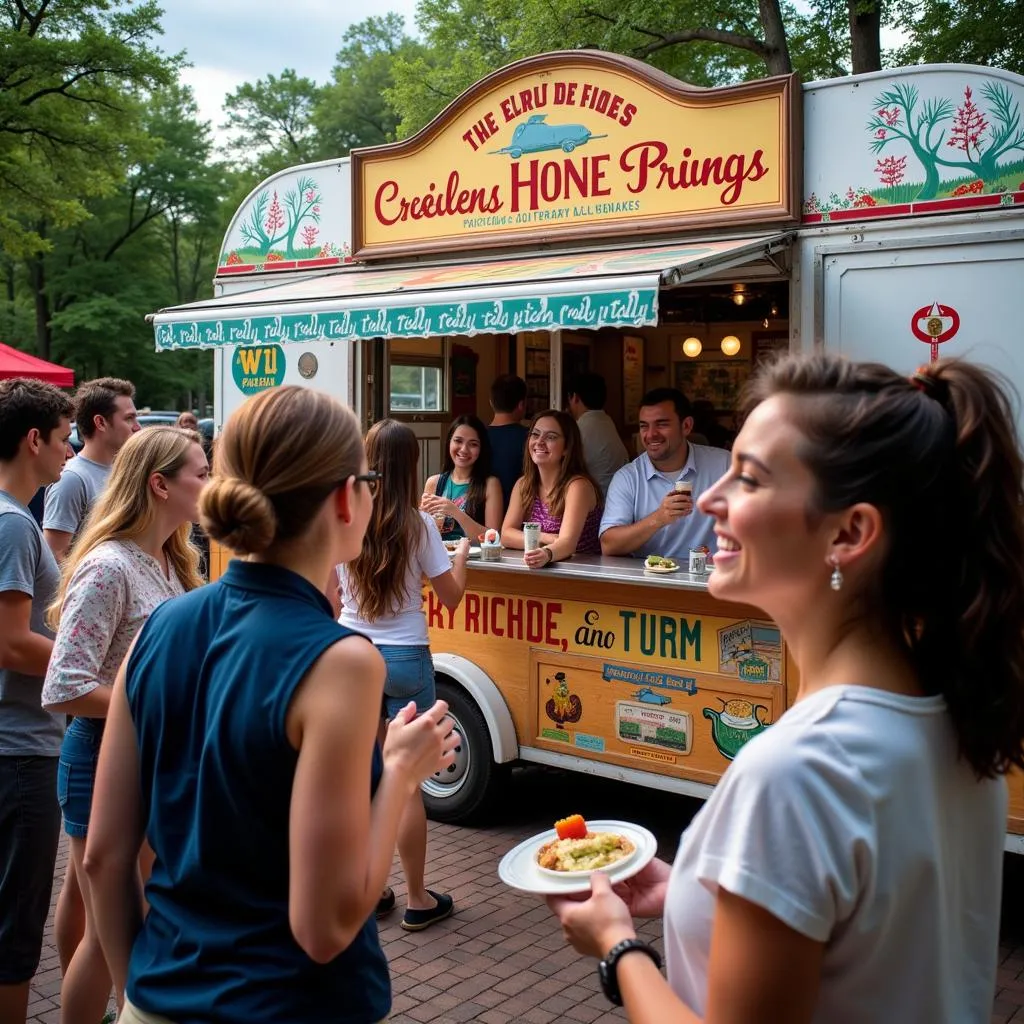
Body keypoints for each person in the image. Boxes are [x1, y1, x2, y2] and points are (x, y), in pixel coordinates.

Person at [547, 353, 1024, 1024]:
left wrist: (618, 948)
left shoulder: (795, 773)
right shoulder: (958, 726)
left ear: (849, 533)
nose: (711, 499)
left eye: (748, 479)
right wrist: (692, 885)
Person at [84, 387, 458, 1024]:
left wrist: (136, 993)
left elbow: (103, 859)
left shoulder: (161, 625)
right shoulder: (340, 661)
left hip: (156, 997)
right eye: (367, 479)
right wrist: (398, 773)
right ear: (346, 498)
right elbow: (326, 924)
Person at [42, 427, 208, 1024]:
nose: (209, 484)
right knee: (111, 934)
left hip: (144, 757)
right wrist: (156, 704)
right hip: (103, 758)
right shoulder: (110, 566)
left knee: (106, 925)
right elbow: (63, 686)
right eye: (200, 473)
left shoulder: (172, 558)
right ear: (160, 484)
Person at [341, 418, 469, 931]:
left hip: (353, 653)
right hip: (406, 658)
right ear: (414, 464)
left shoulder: (349, 515)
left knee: (368, 778)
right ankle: (418, 899)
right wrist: (461, 557)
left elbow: (331, 593)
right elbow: (451, 598)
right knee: (409, 781)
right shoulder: (418, 525)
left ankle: (373, 891)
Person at [0, 378, 73, 1024]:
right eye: (62, 439)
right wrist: (91, 665)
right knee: (15, 930)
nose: (68, 452)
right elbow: (13, 645)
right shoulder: (13, 525)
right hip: (20, 751)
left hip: (21, 745)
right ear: (33, 440)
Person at [600, 388, 730, 561]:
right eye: (644, 426)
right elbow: (609, 545)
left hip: (711, 580)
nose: (651, 434)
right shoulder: (628, 477)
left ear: (686, 426)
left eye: (662, 424)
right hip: (651, 582)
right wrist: (659, 518)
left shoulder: (724, 465)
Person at [44, 377, 140, 564]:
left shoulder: (127, 471)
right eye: (129, 418)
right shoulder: (72, 479)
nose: (137, 427)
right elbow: (55, 555)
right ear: (101, 423)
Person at [501, 409, 603, 567]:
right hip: (542, 570)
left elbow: (567, 544)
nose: (539, 442)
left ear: (567, 448)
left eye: (551, 437)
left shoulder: (577, 486)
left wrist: (545, 552)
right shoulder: (523, 484)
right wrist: (547, 538)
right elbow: (506, 535)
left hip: (582, 575)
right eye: (535, 434)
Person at [421, 415, 503, 542]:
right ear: (449, 442)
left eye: (473, 444)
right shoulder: (434, 483)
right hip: (440, 557)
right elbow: (424, 534)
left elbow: (493, 538)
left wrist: (455, 512)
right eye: (458, 441)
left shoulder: (490, 484)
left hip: (473, 559)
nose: (464, 449)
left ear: (481, 449)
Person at [566, 372, 629, 498]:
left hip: (593, 504)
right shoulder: (607, 422)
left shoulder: (578, 430)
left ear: (575, 397)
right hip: (617, 499)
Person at [486, 374, 529, 511]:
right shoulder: (531, 438)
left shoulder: (476, 437)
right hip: (519, 513)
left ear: (491, 402)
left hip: (481, 513)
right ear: (521, 405)